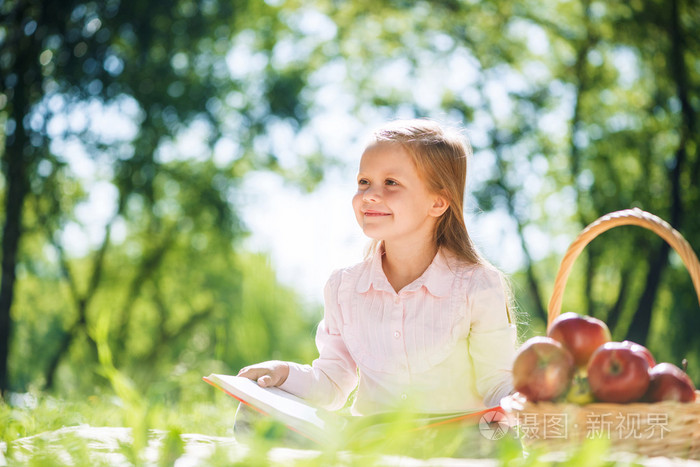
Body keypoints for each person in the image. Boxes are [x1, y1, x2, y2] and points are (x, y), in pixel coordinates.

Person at [238, 118, 517, 417]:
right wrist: (283, 373)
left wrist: (527, 401)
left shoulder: (477, 285)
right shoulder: (344, 287)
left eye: (391, 183)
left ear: (437, 203)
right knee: (252, 415)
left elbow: (497, 385)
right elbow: (332, 384)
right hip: (372, 443)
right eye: (363, 182)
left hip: (458, 443)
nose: (369, 194)